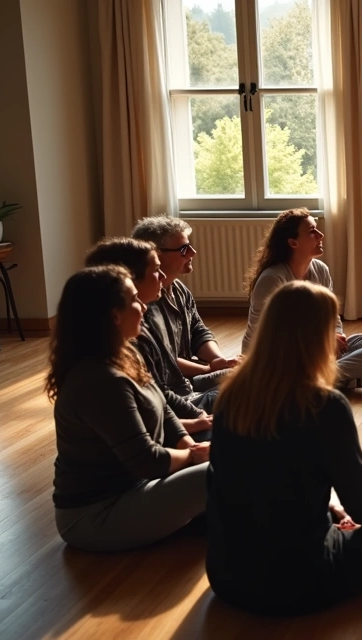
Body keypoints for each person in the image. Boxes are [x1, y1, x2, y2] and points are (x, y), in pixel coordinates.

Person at [206, 281, 362, 615]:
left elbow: (238, 486)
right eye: (332, 327)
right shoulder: (324, 405)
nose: (340, 339)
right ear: (315, 337)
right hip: (300, 581)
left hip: (226, 578)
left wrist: (328, 512)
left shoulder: (231, 395)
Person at [48, 266, 210, 551]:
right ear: (114, 315)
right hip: (97, 515)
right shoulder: (98, 380)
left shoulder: (126, 351)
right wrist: (193, 456)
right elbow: (147, 459)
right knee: (224, 471)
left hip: (144, 484)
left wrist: (188, 442)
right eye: (136, 299)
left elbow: (162, 403)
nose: (144, 307)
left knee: (236, 447)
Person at [243, 209, 362, 389]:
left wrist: (336, 338)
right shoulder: (272, 279)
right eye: (312, 232)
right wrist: (323, 340)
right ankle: (336, 380)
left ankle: (316, 382)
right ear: (293, 242)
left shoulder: (320, 269)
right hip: (277, 356)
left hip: (317, 350)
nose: (320, 235)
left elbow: (332, 317)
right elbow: (273, 336)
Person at [84, 238, 213, 439]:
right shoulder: (112, 365)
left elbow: (158, 397)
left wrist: (196, 423)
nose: (162, 277)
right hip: (173, 420)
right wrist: (191, 442)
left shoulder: (135, 327)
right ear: (128, 280)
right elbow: (146, 442)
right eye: (155, 270)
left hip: (176, 414)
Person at [132, 216, 241, 398]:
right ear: (156, 254)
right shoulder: (142, 305)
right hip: (175, 390)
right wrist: (208, 369)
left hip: (190, 379)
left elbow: (198, 331)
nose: (192, 252)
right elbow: (163, 361)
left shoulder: (179, 289)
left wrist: (217, 360)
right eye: (184, 249)